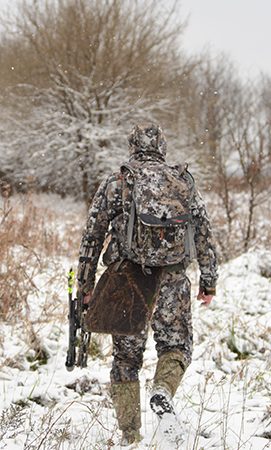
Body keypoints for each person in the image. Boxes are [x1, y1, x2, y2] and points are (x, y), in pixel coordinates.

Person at [76, 123, 218, 445]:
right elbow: (203, 234)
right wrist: (208, 281)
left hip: (129, 281)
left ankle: (130, 436)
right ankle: (162, 390)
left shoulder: (117, 183)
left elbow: (92, 238)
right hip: (173, 279)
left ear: (132, 146)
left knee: (126, 360)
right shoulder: (182, 182)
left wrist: (86, 288)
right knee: (176, 347)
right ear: (163, 148)